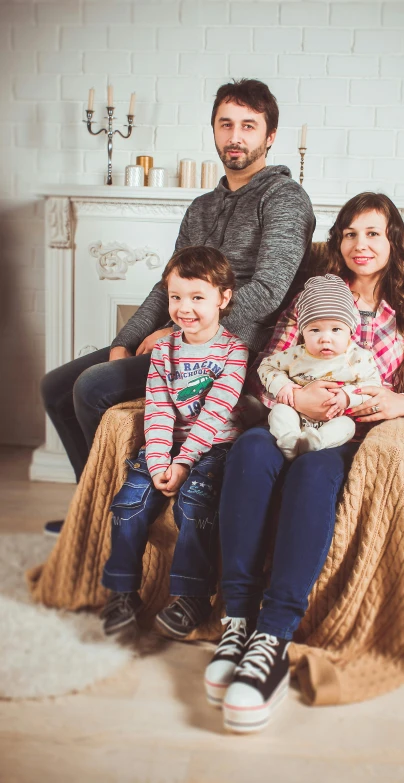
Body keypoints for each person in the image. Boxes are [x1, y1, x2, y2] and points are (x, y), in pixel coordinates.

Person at [203, 192, 404, 734]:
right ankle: (236, 621)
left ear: (394, 241)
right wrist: (293, 397)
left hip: (347, 436)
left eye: (373, 233)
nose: (360, 244)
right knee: (251, 447)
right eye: (350, 233)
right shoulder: (313, 298)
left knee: (313, 470)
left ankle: (273, 638)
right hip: (290, 417)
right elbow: (265, 369)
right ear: (338, 242)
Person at [41, 78, 315, 535]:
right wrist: (123, 341)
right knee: (55, 388)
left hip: (228, 352)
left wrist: (184, 331)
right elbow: (166, 283)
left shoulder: (284, 198)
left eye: (249, 126)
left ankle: (115, 511)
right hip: (182, 339)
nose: (235, 136)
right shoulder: (202, 207)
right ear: (213, 130)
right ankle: (89, 504)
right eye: (225, 124)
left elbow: (269, 290)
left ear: (269, 137)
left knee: (92, 388)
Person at [100, 246, 248, 637]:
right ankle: (121, 592)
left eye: (197, 297)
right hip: (165, 446)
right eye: (176, 297)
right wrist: (160, 461)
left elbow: (217, 412)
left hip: (213, 447)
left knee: (194, 505)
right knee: (129, 503)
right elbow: (160, 408)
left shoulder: (234, 351)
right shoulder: (164, 349)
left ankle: (192, 595)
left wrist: (183, 463)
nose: (185, 308)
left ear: (223, 297)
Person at [258, 273, 381, 460]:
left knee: (347, 426)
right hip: (296, 416)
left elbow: (373, 385)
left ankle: (316, 443)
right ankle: (289, 441)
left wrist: (348, 396)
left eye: (336, 329)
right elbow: (266, 366)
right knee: (279, 411)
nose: (325, 338)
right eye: (314, 330)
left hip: (334, 419)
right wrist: (283, 385)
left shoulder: (358, 358)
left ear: (350, 331)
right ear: (303, 333)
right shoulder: (296, 355)